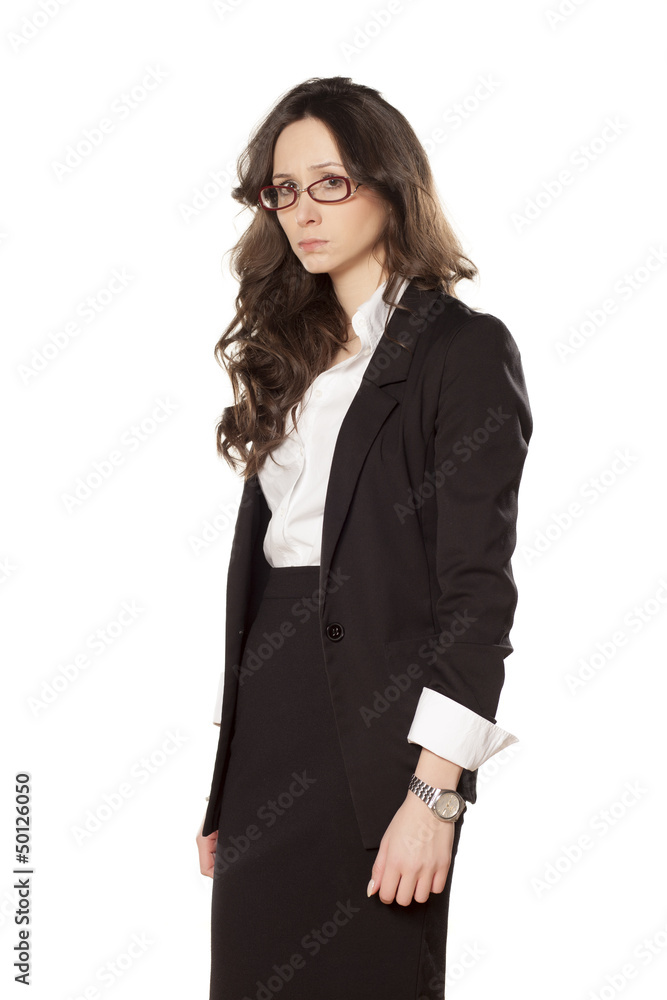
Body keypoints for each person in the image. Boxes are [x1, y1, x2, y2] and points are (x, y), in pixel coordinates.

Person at [196, 75, 533, 999]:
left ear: (389, 183)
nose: (302, 210)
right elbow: (265, 582)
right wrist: (227, 783)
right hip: (269, 729)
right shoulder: (289, 356)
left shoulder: (461, 350)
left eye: (330, 183)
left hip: (383, 742)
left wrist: (435, 796)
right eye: (283, 189)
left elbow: (476, 596)